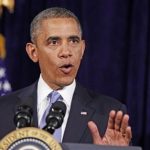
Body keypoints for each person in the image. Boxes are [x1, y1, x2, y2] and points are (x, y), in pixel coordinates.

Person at [0, 7, 132, 145]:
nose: (66, 52)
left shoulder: (109, 113)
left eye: (73, 41)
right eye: (54, 42)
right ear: (33, 52)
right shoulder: (3, 110)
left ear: (82, 49)